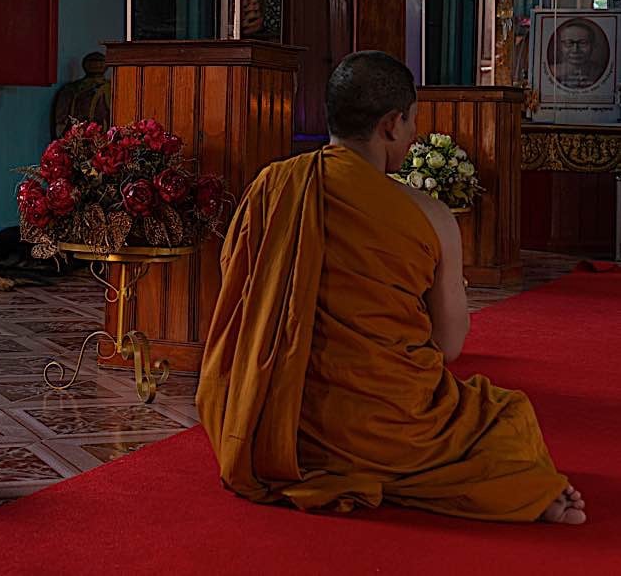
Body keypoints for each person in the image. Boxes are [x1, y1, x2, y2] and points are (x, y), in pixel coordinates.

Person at [196, 51, 586, 525]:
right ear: (390, 124)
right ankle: (514, 488)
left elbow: (242, 296)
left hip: (281, 425)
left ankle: (341, 461)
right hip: (393, 427)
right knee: (505, 415)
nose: (413, 133)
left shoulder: (274, 187)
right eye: (412, 121)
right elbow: (450, 345)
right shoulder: (431, 215)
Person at [549, 19, 606, 90]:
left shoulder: (600, 72)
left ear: (593, 46)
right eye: (568, 43)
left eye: (583, 43)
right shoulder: (552, 71)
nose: (575, 50)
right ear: (560, 46)